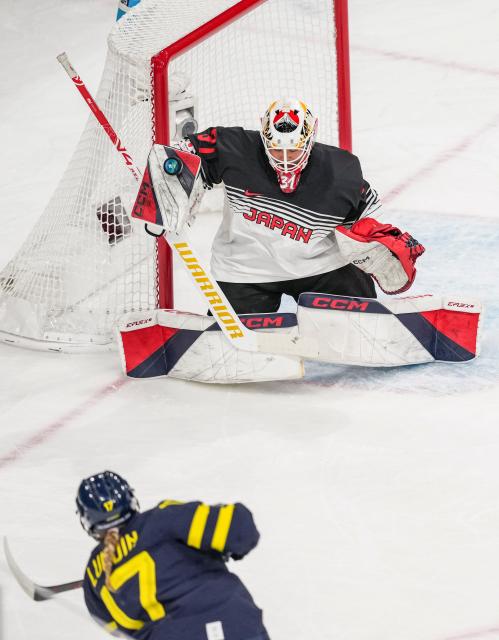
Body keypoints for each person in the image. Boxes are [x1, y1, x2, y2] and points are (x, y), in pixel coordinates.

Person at [175, 97, 401, 315]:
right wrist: (169, 177)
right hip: (245, 269)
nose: (284, 159)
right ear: (264, 138)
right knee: (227, 349)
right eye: (275, 149)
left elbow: (368, 215)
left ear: (310, 140)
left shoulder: (341, 171)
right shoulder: (235, 148)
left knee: (360, 332)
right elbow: (185, 151)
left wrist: (377, 240)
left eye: (293, 150)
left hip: (321, 265)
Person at [77, 471, 270, 640]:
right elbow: (240, 529)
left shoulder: (93, 579)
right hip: (234, 625)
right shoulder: (163, 518)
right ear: (130, 499)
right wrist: (223, 550)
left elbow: (122, 631)